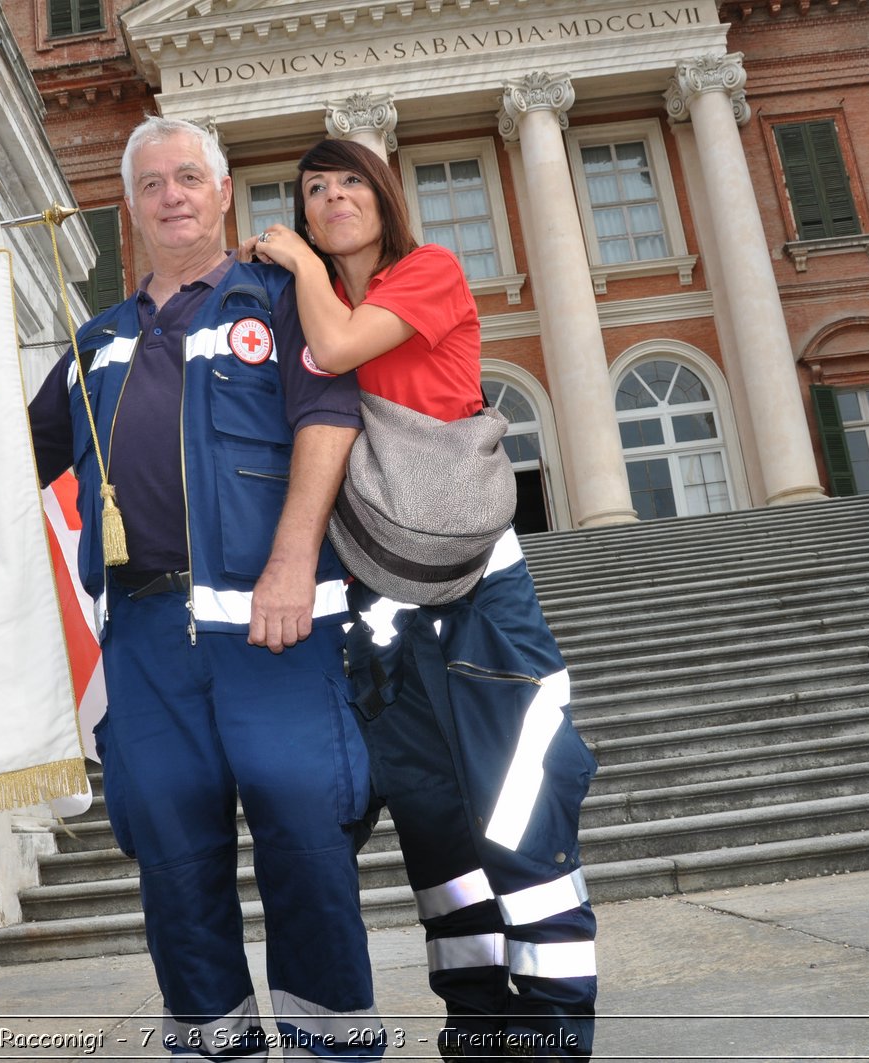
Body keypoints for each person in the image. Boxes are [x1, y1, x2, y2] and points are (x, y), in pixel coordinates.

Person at [27, 118, 385, 1061]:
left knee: (310, 846)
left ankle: (333, 1046)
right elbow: (10, 457)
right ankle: (216, 1045)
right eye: (152, 184)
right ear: (132, 206)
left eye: (190, 177)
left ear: (224, 192)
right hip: (145, 638)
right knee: (173, 864)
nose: (173, 195)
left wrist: (290, 563)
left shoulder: (280, 294)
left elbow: (328, 420)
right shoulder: (95, 339)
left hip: (278, 624)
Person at [242, 139, 599, 1061]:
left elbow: (338, 346)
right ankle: (478, 1023)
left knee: (521, 806)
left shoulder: (425, 272)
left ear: (382, 194)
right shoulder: (314, 299)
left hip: (480, 585)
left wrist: (289, 258)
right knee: (434, 824)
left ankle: (554, 1034)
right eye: (313, 189)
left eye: (348, 181)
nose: (330, 198)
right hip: (381, 597)